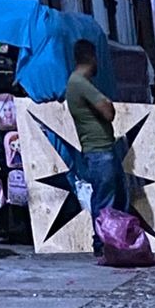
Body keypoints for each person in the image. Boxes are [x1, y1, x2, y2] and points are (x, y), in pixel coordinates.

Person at [65, 38, 124, 257]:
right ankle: (103, 243)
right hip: (99, 151)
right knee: (105, 200)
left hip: (101, 150)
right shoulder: (80, 83)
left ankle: (109, 241)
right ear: (91, 57)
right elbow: (108, 112)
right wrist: (107, 104)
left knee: (109, 198)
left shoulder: (78, 83)